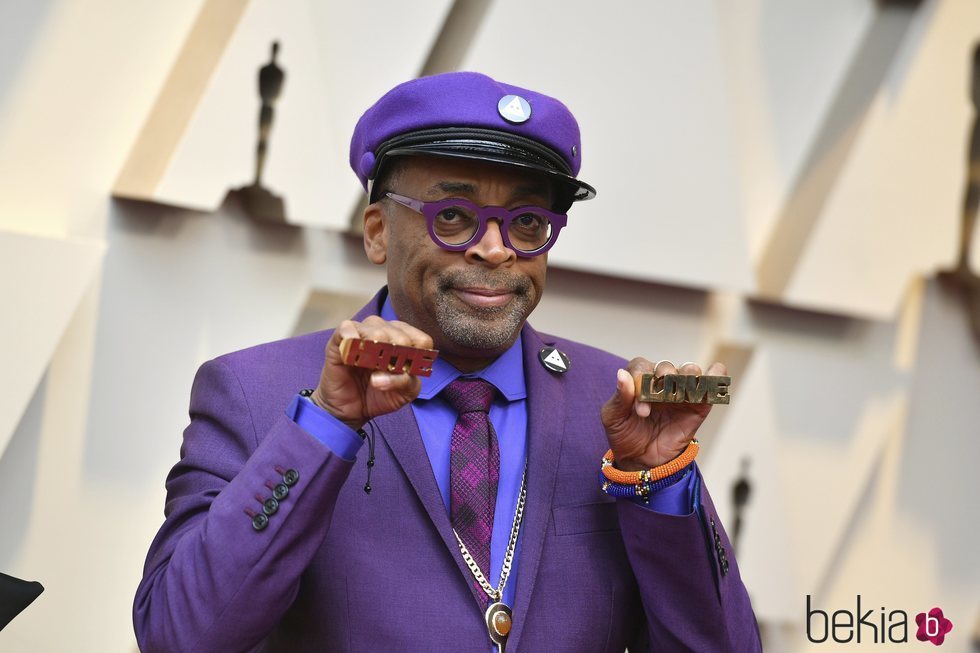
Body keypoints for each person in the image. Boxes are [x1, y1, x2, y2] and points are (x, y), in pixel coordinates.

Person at [134, 71, 761, 652]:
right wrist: (327, 426)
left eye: (526, 222)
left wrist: (658, 482)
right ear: (378, 231)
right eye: (454, 216)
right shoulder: (256, 393)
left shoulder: (618, 408)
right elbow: (181, 635)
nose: (495, 249)